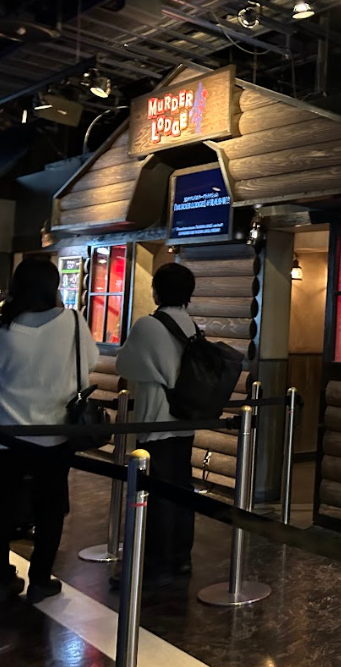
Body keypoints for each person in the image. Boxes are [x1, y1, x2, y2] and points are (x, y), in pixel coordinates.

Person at [0, 257, 99, 603]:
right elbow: (90, 362)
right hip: (55, 435)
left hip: (6, 438)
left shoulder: (5, 328)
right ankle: (40, 579)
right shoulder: (73, 322)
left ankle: (2, 579)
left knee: (3, 506)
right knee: (50, 510)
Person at [114, 262, 197, 588]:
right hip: (185, 421)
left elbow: (123, 364)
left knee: (153, 494)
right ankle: (181, 558)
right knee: (182, 489)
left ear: (157, 291)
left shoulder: (148, 325)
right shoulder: (192, 326)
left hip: (155, 421)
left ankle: (154, 564)